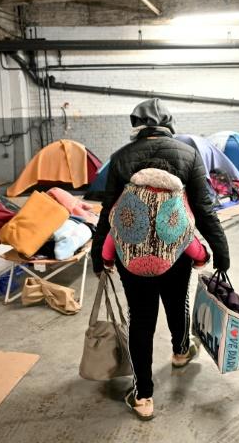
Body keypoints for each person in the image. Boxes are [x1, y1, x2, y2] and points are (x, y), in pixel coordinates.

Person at [92, 98, 230, 421]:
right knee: (176, 302)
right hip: (176, 251)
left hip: (132, 256)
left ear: (137, 127)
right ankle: (181, 351)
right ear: (168, 125)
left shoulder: (121, 158)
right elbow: (204, 210)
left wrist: (100, 255)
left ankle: (143, 396)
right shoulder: (188, 155)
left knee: (141, 319)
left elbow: (108, 212)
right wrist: (220, 252)